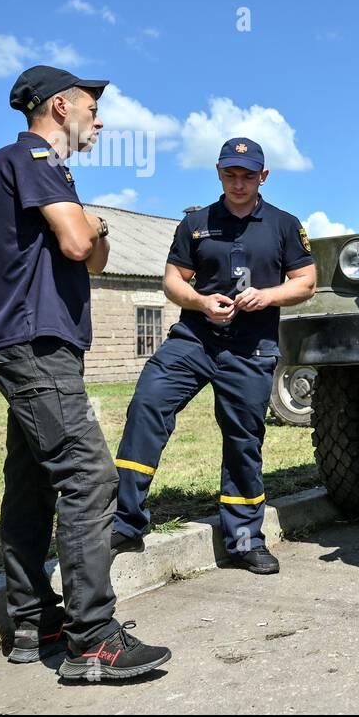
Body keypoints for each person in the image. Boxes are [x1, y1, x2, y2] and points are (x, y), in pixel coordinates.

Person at [0, 64, 171, 681]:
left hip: (34, 342)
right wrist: (90, 227)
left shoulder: (43, 168)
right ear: (60, 106)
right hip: (36, 344)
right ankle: (94, 640)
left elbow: (94, 255)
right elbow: (78, 244)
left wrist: (93, 227)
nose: (102, 119)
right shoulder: (34, 155)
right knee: (90, 477)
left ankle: (37, 619)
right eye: (92, 106)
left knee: (34, 480)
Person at [111, 138, 317, 574]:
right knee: (147, 404)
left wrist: (267, 296)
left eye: (247, 175)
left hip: (251, 348)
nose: (238, 183)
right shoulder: (196, 223)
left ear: (263, 176)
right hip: (194, 339)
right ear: (219, 173)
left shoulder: (283, 224)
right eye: (230, 174)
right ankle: (124, 522)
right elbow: (172, 281)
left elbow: (306, 283)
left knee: (243, 439)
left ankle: (245, 541)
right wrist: (202, 302)